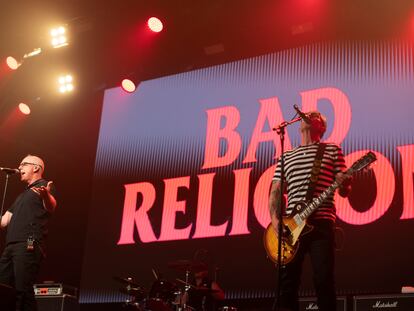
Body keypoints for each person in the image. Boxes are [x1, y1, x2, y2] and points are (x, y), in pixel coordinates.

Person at [268, 111, 351, 311]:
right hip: (290, 227)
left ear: (321, 127)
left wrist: (344, 183)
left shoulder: (331, 149)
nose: (307, 114)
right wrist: (275, 220)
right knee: (287, 284)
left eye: (314, 115)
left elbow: (344, 191)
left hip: (321, 223)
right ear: (298, 125)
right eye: (307, 114)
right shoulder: (286, 156)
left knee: (323, 280)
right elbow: (276, 191)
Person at [0, 155, 57, 311]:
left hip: (28, 244)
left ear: (36, 168)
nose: (19, 168)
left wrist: (46, 195)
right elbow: (4, 221)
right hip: (10, 246)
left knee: (22, 291)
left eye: (23, 164)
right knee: (3, 289)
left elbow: (51, 206)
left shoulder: (45, 186)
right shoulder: (21, 196)